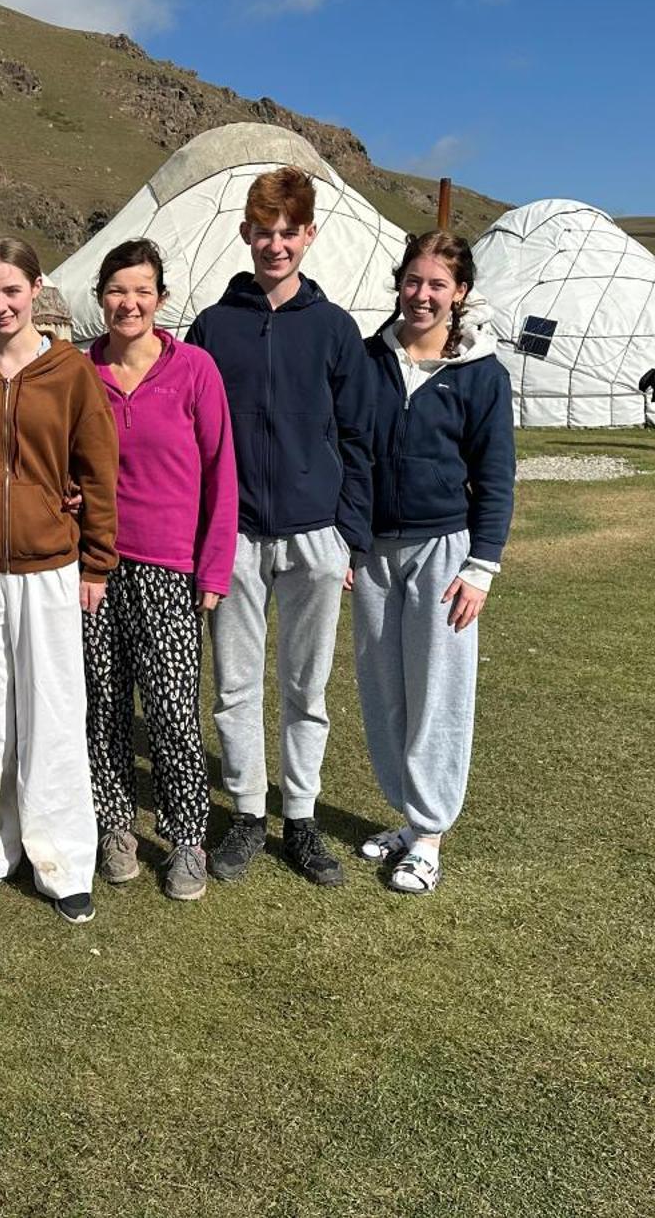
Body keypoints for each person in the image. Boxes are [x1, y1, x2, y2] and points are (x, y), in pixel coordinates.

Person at [184, 166, 374, 888]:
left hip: (314, 533)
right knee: (235, 686)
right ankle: (244, 816)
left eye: (289, 232)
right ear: (245, 234)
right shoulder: (213, 326)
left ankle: (301, 818)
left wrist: (347, 534)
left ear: (309, 235)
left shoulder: (333, 329)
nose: (276, 245)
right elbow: (194, 436)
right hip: (233, 533)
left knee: (307, 688)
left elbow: (359, 438)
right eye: (264, 232)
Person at [0, 236, 119, 924]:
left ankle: (63, 860)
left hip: (49, 565)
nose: (1, 304)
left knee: (51, 713)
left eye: (13, 291)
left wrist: (97, 560)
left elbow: (99, 472)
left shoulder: (72, 374)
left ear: (37, 290)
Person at [353, 233, 514, 895]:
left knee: (440, 693)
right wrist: (347, 542)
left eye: (437, 285)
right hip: (373, 552)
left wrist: (482, 567)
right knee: (384, 690)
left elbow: (497, 476)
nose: (422, 295)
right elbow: (350, 452)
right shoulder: (368, 359)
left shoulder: (481, 373)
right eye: (413, 281)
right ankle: (409, 815)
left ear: (460, 293)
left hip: (444, 548)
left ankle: (430, 835)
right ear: (400, 283)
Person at [81, 239, 238, 902]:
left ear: (161, 299)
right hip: (94, 565)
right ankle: (115, 826)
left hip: (171, 566)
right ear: (101, 298)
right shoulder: (79, 370)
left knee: (173, 712)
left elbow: (221, 471)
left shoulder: (194, 369)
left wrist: (214, 568)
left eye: (142, 290)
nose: (130, 302)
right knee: (105, 703)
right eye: (118, 290)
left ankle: (186, 840)